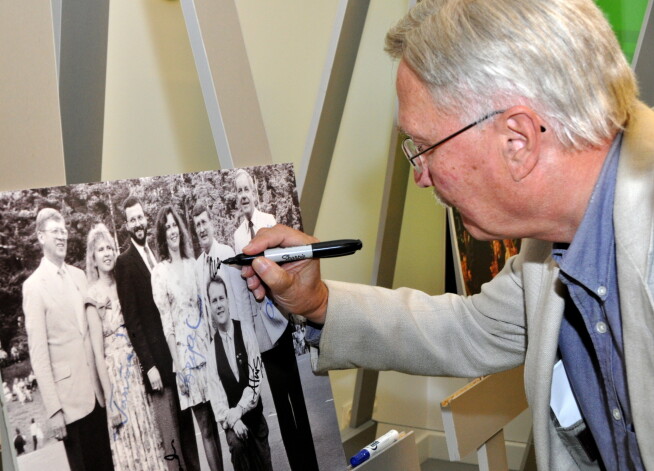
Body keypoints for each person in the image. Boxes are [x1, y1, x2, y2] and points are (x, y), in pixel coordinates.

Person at [240, 0, 654, 470]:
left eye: (425, 146)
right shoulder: (560, 233)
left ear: (517, 139)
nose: (419, 175)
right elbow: (472, 330)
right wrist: (317, 304)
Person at [231, 169, 319, 470]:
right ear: (236, 197)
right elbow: (243, 285)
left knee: (295, 392)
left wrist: (294, 314)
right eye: (238, 191)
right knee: (280, 400)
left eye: (246, 189)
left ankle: (309, 461)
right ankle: (297, 463)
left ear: (254, 192)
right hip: (260, 327)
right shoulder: (237, 236)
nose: (243, 195)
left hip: (280, 315)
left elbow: (289, 270)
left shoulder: (270, 223)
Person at [22, 208, 113, 471]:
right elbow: (39, 356)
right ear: (41, 237)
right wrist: (53, 411)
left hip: (98, 396)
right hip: (70, 406)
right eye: (55, 232)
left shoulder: (80, 276)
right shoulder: (34, 287)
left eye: (64, 231)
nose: (62, 237)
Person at [114, 196, 200, 471]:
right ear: (126, 224)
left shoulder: (155, 255)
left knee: (188, 431)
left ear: (145, 218)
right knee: (171, 438)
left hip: (175, 355)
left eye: (140, 217)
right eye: (133, 219)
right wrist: (148, 365)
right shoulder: (124, 263)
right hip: (157, 367)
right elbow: (132, 321)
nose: (138, 223)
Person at [85, 223, 166, 470]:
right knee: (129, 447)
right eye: (101, 249)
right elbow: (97, 355)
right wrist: (110, 402)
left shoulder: (123, 285)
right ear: (93, 257)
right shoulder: (91, 297)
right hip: (116, 381)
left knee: (149, 436)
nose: (107, 253)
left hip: (137, 375)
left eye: (110, 247)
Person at [151, 205, 223, 471]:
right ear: (162, 234)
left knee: (217, 419)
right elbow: (167, 325)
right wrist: (179, 368)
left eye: (174, 226)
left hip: (205, 350)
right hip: (185, 357)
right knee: (204, 426)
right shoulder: (160, 273)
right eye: (166, 227)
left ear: (181, 230)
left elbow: (206, 314)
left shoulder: (194, 266)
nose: (172, 231)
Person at [206, 276, 273, 471]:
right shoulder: (211, 352)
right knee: (236, 444)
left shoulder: (245, 331)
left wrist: (239, 411)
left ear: (227, 301)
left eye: (221, 299)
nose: (218, 305)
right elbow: (218, 402)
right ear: (210, 307)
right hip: (234, 428)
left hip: (254, 419)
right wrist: (233, 420)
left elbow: (255, 380)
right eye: (213, 301)